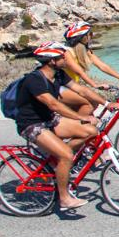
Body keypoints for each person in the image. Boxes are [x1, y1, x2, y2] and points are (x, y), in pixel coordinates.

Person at [17, 42, 99, 209]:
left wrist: (106, 103)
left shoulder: (59, 74)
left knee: (91, 131)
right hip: (32, 125)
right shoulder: (34, 80)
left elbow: (81, 90)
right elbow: (53, 105)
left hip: (49, 120)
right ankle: (64, 198)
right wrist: (79, 117)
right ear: (51, 61)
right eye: (61, 56)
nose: (65, 58)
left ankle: (58, 161)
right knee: (67, 155)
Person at [58, 21, 119, 115]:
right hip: (57, 87)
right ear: (82, 37)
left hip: (71, 86)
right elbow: (79, 71)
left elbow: (102, 65)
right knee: (89, 103)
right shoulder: (66, 52)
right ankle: (77, 127)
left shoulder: (84, 49)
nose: (92, 36)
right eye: (90, 34)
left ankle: (83, 127)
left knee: (94, 104)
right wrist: (94, 85)